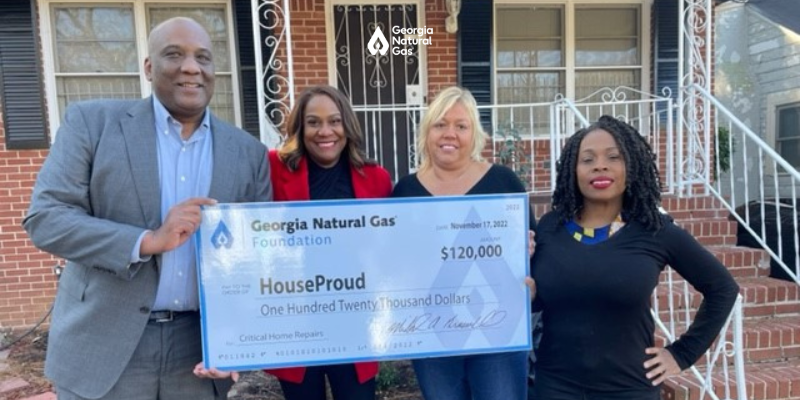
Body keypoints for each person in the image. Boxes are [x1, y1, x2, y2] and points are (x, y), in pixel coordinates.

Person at [22, 17, 272, 400]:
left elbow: (256, 257)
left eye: (203, 57)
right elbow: (46, 219)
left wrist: (237, 340)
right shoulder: (92, 125)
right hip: (105, 345)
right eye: (175, 54)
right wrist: (147, 240)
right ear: (149, 67)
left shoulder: (248, 153)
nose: (191, 67)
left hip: (198, 352)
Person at [529, 116, 740, 399]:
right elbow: (548, 299)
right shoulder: (550, 227)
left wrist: (682, 354)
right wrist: (530, 295)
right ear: (573, 170)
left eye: (613, 157)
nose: (599, 166)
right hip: (554, 387)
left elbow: (723, 288)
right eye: (587, 159)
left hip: (628, 389)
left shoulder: (654, 230)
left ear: (631, 166)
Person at [391, 86, 533, 400]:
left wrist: (528, 256)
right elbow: (396, 261)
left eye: (461, 125)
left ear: (475, 134)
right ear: (427, 132)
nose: (449, 133)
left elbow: (533, 254)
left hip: (497, 328)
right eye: (440, 124)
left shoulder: (503, 182)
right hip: (432, 331)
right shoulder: (404, 191)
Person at [263, 85, 392, 399]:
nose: (325, 131)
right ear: (299, 127)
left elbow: (390, 246)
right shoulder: (271, 168)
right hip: (295, 319)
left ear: (347, 126)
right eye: (313, 122)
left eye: (334, 121)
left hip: (355, 320)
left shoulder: (376, 178)